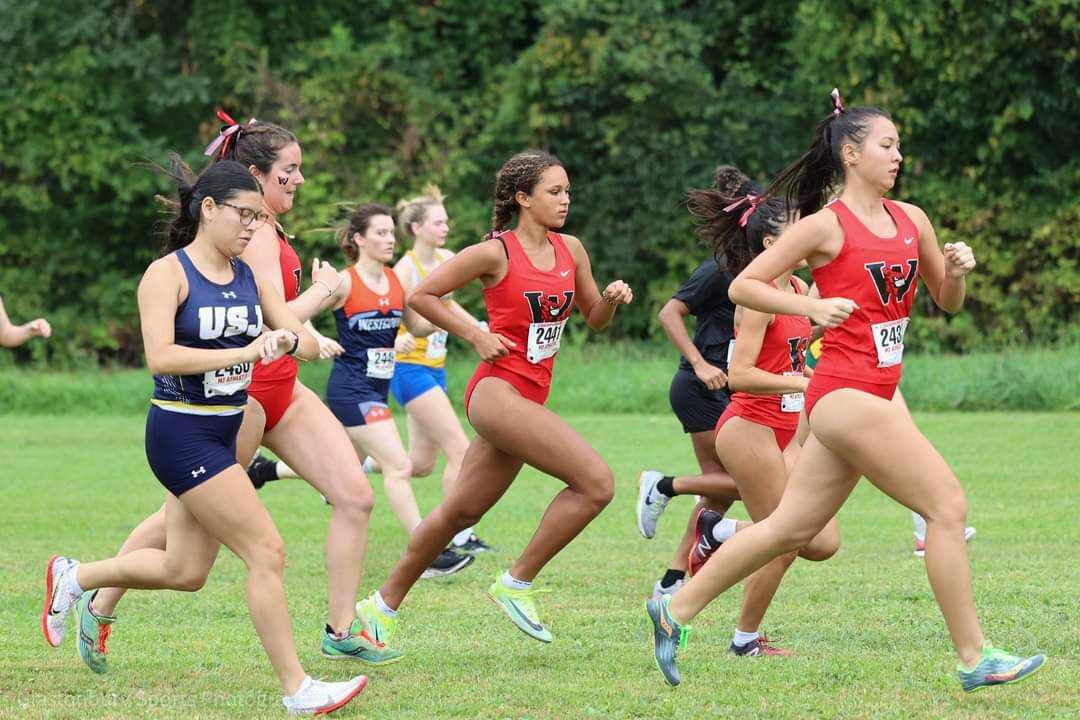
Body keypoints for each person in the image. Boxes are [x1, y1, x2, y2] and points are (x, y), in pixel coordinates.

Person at [647, 90, 1045, 691]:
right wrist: (815, 304)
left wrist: (957, 274)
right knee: (946, 507)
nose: (898, 156)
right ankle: (974, 657)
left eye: (899, 146)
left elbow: (947, 301)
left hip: (872, 394)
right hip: (841, 395)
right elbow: (745, 288)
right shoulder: (824, 226)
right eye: (888, 145)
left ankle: (674, 611)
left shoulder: (913, 219)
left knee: (788, 529)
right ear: (852, 154)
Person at [41, 158, 366, 714]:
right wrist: (244, 351)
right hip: (181, 436)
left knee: (185, 572)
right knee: (267, 551)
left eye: (259, 219)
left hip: (224, 432)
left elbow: (300, 338)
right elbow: (160, 356)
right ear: (208, 209)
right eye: (243, 214)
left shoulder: (248, 276)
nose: (251, 227)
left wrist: (292, 339)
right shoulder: (167, 274)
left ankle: (76, 576)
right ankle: (298, 689)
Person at [354, 150, 632, 651]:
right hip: (496, 392)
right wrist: (475, 334)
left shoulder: (572, 249)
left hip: (529, 397)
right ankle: (516, 582)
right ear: (523, 198)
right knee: (596, 484)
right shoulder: (495, 253)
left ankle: (379, 608)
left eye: (568, 190)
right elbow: (422, 296)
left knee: (459, 514)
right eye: (554, 191)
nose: (565, 200)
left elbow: (594, 317)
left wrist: (610, 299)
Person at [676, 171, 840, 658]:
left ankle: (718, 530)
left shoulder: (799, 287)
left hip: (785, 432)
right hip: (748, 428)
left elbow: (800, 344)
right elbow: (741, 375)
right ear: (771, 241)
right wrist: (801, 381)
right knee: (785, 540)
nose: (809, 229)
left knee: (822, 542)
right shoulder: (759, 297)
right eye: (797, 225)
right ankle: (744, 640)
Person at [322, 202, 473, 578]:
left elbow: (418, 326)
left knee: (338, 464)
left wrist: (454, 322)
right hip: (351, 390)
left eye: (391, 232)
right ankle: (427, 553)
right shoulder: (344, 282)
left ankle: (264, 471)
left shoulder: (394, 281)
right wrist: (313, 338)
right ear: (359, 239)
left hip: (378, 387)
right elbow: (292, 313)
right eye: (381, 233)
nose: (390, 238)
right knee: (400, 465)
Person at [636, 167, 752, 599]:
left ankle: (672, 579)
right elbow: (670, 313)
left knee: (719, 497)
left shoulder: (763, 271)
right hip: (700, 387)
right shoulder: (719, 269)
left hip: (731, 387)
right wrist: (701, 364)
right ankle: (662, 485)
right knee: (738, 484)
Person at [389, 186, 493, 554]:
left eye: (446, 222)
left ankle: (369, 464)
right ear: (416, 228)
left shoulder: (447, 258)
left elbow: (447, 308)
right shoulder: (404, 269)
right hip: (409, 368)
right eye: (438, 223)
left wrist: (478, 330)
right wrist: (391, 342)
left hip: (436, 368)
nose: (445, 228)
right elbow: (385, 315)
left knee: (419, 464)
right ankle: (458, 537)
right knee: (459, 449)